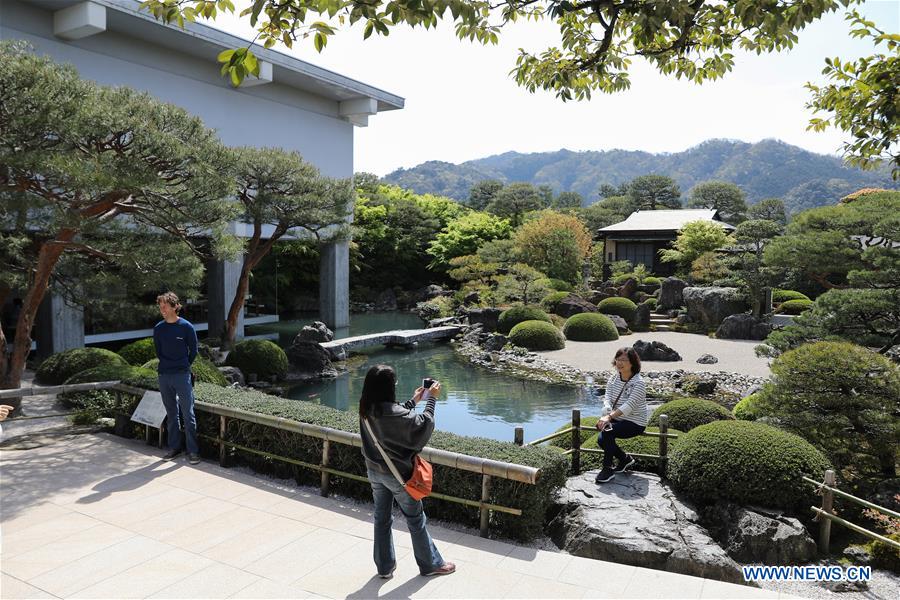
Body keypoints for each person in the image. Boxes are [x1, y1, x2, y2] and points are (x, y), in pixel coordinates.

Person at [358, 365, 456, 580]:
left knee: (381, 519)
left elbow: (393, 416)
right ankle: (430, 564)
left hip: (374, 472)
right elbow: (423, 425)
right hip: (399, 476)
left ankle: (384, 568)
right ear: (388, 387)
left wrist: (414, 401)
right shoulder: (391, 412)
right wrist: (432, 399)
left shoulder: (366, 407)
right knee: (415, 520)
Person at [153, 292, 200, 465]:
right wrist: (168, 365)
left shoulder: (187, 327)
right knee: (171, 413)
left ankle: (193, 451)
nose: (162, 309)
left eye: (165, 306)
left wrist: (182, 365)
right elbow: (159, 351)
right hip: (164, 375)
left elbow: (194, 351)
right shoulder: (158, 328)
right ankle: (174, 448)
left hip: (182, 375)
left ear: (174, 306)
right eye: (160, 306)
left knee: (188, 413)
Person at [595, 347, 648, 484]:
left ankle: (607, 469)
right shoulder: (614, 378)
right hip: (617, 419)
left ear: (632, 363)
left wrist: (608, 418)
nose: (619, 363)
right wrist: (606, 411)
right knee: (601, 440)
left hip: (635, 422)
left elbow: (628, 406)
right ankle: (625, 459)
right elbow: (607, 397)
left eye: (624, 360)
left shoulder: (639, 383)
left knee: (606, 432)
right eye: (618, 359)